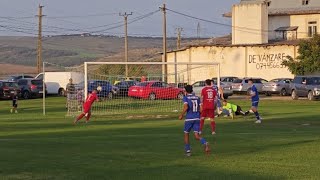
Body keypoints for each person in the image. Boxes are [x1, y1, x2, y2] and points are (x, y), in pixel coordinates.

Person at [179, 85, 210, 156]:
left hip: (189, 118)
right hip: (197, 118)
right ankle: (205, 142)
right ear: (192, 90)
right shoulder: (197, 98)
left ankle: (188, 151)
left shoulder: (186, 98)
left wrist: (181, 114)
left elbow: (186, 107)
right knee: (196, 135)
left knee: (186, 134)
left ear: (185, 91)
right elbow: (201, 109)